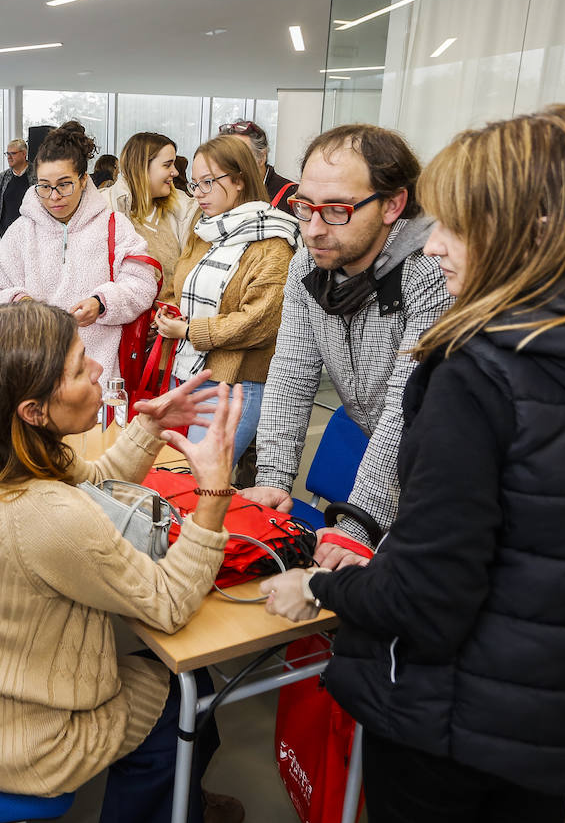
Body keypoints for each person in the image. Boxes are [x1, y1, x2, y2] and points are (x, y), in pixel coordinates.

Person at [260, 104, 565, 823]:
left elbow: (425, 598)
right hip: (564, 703)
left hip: (454, 711)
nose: (436, 247)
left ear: (530, 231)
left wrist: (320, 585)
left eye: (460, 225)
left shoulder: (484, 371)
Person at [0, 300, 247, 823]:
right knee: (183, 696)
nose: (97, 369)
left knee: (183, 684)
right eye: (77, 368)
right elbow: (167, 603)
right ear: (33, 409)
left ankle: (176, 803)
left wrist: (151, 425)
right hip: (18, 743)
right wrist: (213, 495)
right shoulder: (45, 516)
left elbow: (91, 479)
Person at [242, 124, 451, 561]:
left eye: (336, 210)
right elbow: (291, 375)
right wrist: (273, 481)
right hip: (389, 453)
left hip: (447, 476)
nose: (314, 229)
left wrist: (358, 526)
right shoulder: (309, 261)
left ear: (393, 204)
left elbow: (406, 410)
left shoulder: (430, 270)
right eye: (305, 207)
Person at [153, 135, 297, 463]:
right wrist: (172, 312)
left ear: (239, 180)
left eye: (208, 182)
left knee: (202, 483)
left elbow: (260, 322)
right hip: (187, 373)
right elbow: (180, 286)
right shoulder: (206, 231)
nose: (199, 193)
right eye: (194, 184)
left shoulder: (274, 239)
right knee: (174, 478)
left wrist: (190, 331)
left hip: (234, 384)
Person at [0, 121, 159, 386]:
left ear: (84, 179)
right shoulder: (21, 231)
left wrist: (102, 303)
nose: (54, 196)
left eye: (64, 185)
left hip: (99, 373)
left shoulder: (114, 225)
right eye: (44, 186)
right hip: (33, 372)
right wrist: (22, 304)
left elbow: (143, 284)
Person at [100, 131, 198, 282]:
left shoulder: (181, 208)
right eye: (167, 165)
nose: (175, 172)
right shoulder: (105, 207)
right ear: (142, 167)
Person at [218, 119, 297, 213]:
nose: (230, 164)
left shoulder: (291, 198)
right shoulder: (219, 192)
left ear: (262, 157)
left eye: (240, 155)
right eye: (225, 157)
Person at [0, 138, 35, 237]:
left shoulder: (37, 175)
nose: (9, 157)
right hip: (7, 233)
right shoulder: (2, 177)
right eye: (7, 154)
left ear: (24, 153)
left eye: (13, 153)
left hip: (31, 234)